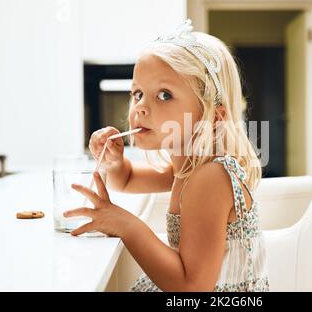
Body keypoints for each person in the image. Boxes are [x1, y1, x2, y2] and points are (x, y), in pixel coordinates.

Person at [64, 19, 269, 292]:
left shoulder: (210, 177)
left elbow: (193, 287)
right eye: (137, 93)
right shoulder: (188, 168)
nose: (140, 108)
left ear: (213, 117)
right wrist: (115, 162)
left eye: (164, 94)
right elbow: (125, 181)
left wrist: (125, 225)